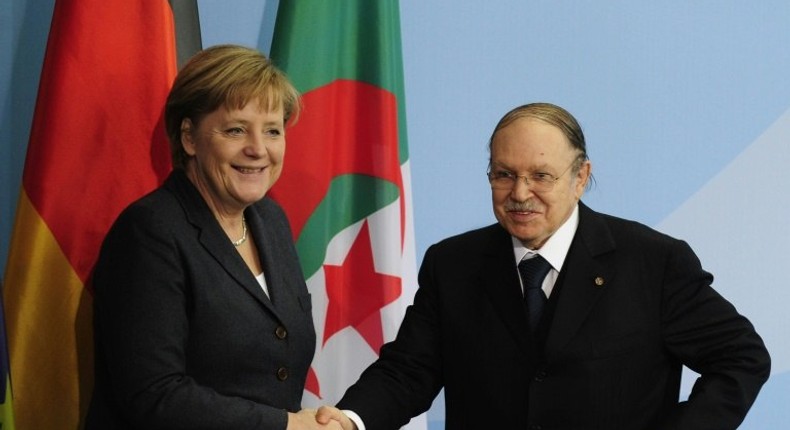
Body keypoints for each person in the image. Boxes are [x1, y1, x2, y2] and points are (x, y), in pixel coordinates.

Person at [316, 102, 771, 429]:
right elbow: (409, 371)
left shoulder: (653, 262)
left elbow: (741, 357)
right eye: (503, 174)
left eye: (541, 176)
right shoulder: (452, 264)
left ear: (581, 178)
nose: (519, 193)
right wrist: (350, 421)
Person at [86, 45, 340, 430]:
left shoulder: (270, 220)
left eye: (272, 130)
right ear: (189, 138)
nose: (258, 149)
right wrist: (286, 426)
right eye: (236, 129)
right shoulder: (150, 231)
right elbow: (155, 394)